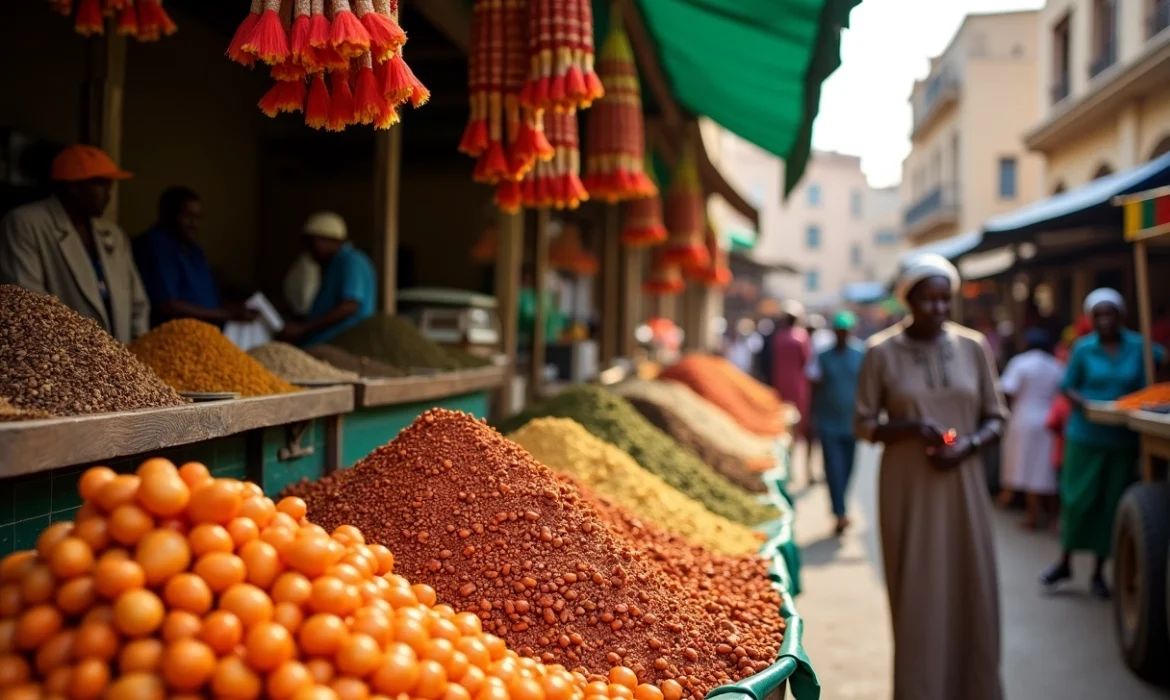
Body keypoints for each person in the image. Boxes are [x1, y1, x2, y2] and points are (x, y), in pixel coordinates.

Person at [854, 253, 1007, 700]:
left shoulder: (973, 346)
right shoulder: (881, 352)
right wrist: (910, 429)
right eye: (928, 300)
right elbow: (863, 424)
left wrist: (970, 445)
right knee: (918, 596)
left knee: (972, 589)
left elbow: (997, 417)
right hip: (908, 488)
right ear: (908, 301)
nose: (939, 309)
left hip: (964, 487)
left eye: (946, 300)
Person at [1040, 288, 1167, 599]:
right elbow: (1066, 386)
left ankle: (1099, 572)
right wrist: (1082, 403)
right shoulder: (1083, 349)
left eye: (1110, 313)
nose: (1105, 320)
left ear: (1121, 316)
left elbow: (1162, 364)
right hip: (1086, 436)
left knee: (1111, 506)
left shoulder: (1140, 346)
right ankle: (1066, 561)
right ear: (1090, 318)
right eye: (1099, 315)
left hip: (1122, 439)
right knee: (1078, 501)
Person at [0, 145, 148, 343]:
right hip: (61, 359)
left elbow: (137, 303)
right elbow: (28, 302)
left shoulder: (113, 233)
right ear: (74, 187)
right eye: (100, 185)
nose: (108, 195)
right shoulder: (25, 224)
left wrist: (139, 350)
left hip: (120, 359)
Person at [132, 187, 257, 327]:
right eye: (188, 216)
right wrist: (228, 315)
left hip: (208, 332)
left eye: (197, 217)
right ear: (168, 215)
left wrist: (235, 309)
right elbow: (168, 305)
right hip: (177, 333)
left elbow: (209, 298)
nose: (194, 224)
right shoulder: (155, 245)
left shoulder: (193, 248)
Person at [998, 328, 1064, 529]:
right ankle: (1053, 519)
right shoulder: (1056, 365)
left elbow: (1007, 390)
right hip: (1049, 421)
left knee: (1028, 469)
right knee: (1046, 472)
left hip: (1023, 419)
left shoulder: (1020, 362)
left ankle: (1032, 518)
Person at [278, 212, 376, 347]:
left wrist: (303, 328)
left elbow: (350, 305)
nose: (310, 251)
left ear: (327, 239)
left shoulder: (350, 261)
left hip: (340, 345)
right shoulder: (333, 264)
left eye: (312, 244)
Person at [806, 310, 865, 535]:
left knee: (848, 468)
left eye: (846, 331)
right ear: (834, 333)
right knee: (833, 468)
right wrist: (811, 418)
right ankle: (839, 512)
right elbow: (814, 386)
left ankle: (841, 504)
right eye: (839, 331)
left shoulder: (860, 354)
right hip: (828, 421)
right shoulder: (823, 356)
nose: (842, 335)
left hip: (852, 422)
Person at [768, 300, 813, 483]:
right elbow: (806, 362)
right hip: (798, 388)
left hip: (781, 386)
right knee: (796, 429)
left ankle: (786, 465)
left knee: (784, 427)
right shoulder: (802, 337)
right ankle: (791, 465)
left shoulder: (779, 337)